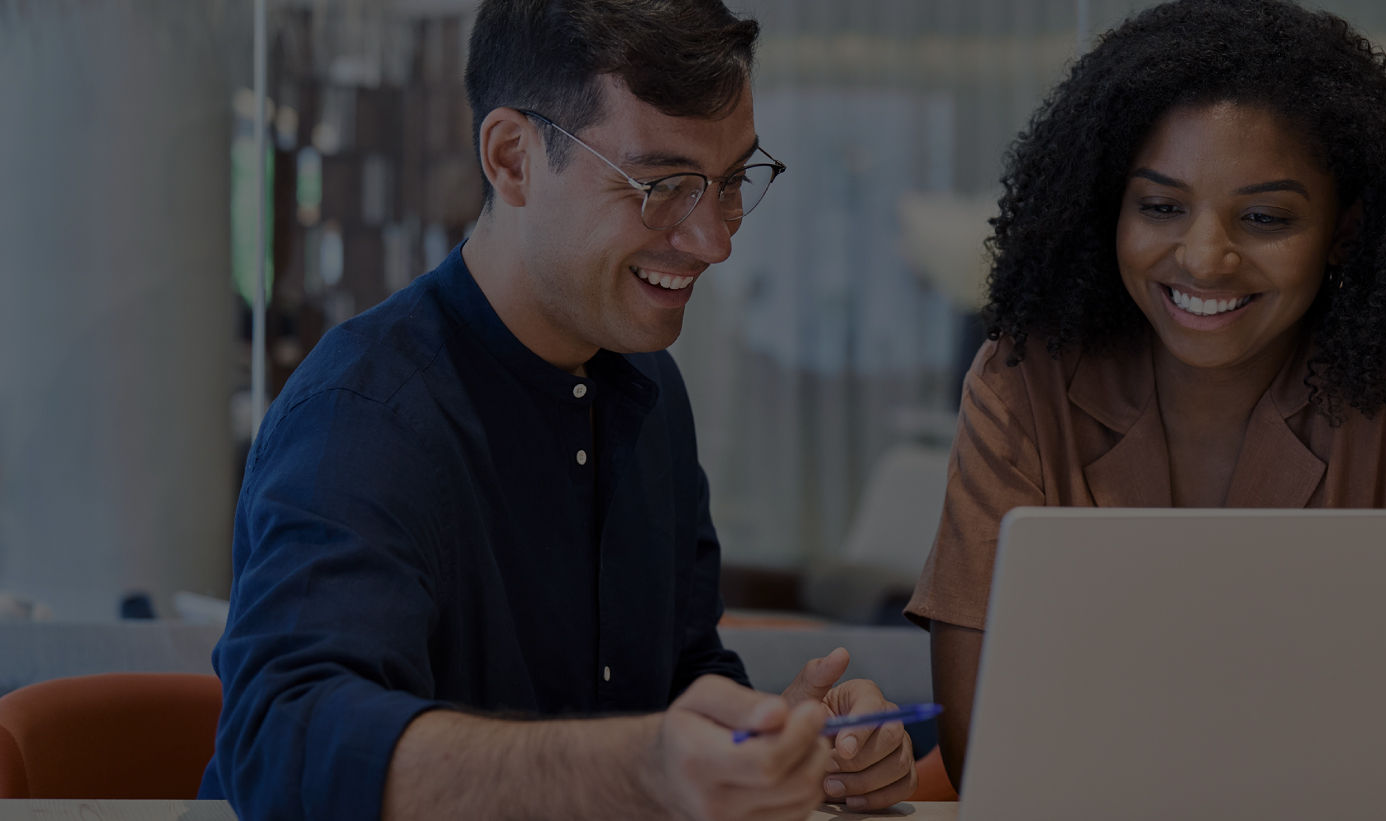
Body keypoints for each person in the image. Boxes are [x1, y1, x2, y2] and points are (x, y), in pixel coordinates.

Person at [199, 2, 915, 818]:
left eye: (728, 184)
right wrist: (633, 770)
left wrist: (776, 739)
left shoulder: (650, 390)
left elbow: (682, 674)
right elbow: (285, 738)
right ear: (513, 159)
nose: (716, 241)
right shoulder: (364, 415)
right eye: (664, 186)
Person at [906, 0, 1386, 788]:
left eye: (1265, 216)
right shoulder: (1024, 381)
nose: (1205, 258)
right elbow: (984, 752)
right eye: (1162, 206)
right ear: (1108, 209)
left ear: (1343, 230)